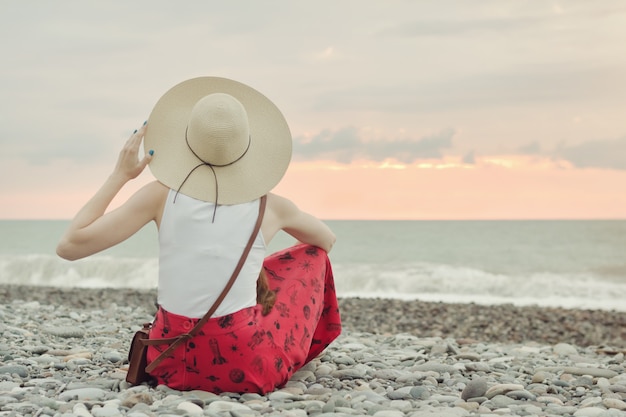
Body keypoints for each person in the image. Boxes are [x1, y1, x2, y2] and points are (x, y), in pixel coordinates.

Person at [56, 77, 342, 394]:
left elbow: (69, 246)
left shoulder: (159, 196)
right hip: (245, 366)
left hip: (168, 360)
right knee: (312, 258)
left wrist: (120, 175)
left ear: (186, 141)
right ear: (248, 148)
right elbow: (325, 241)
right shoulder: (271, 206)